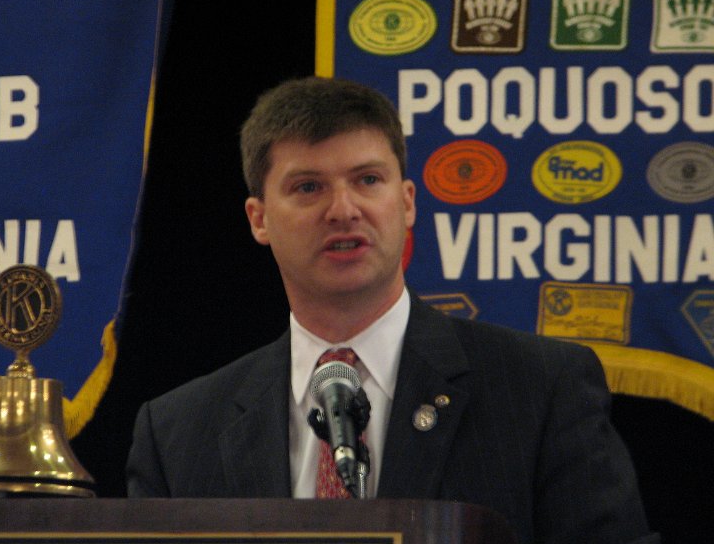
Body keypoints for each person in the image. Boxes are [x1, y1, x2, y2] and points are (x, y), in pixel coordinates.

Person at [126, 76, 659, 544]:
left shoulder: (540, 389)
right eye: (308, 187)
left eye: (367, 180)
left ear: (406, 201)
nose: (343, 210)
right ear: (259, 219)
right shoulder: (178, 432)